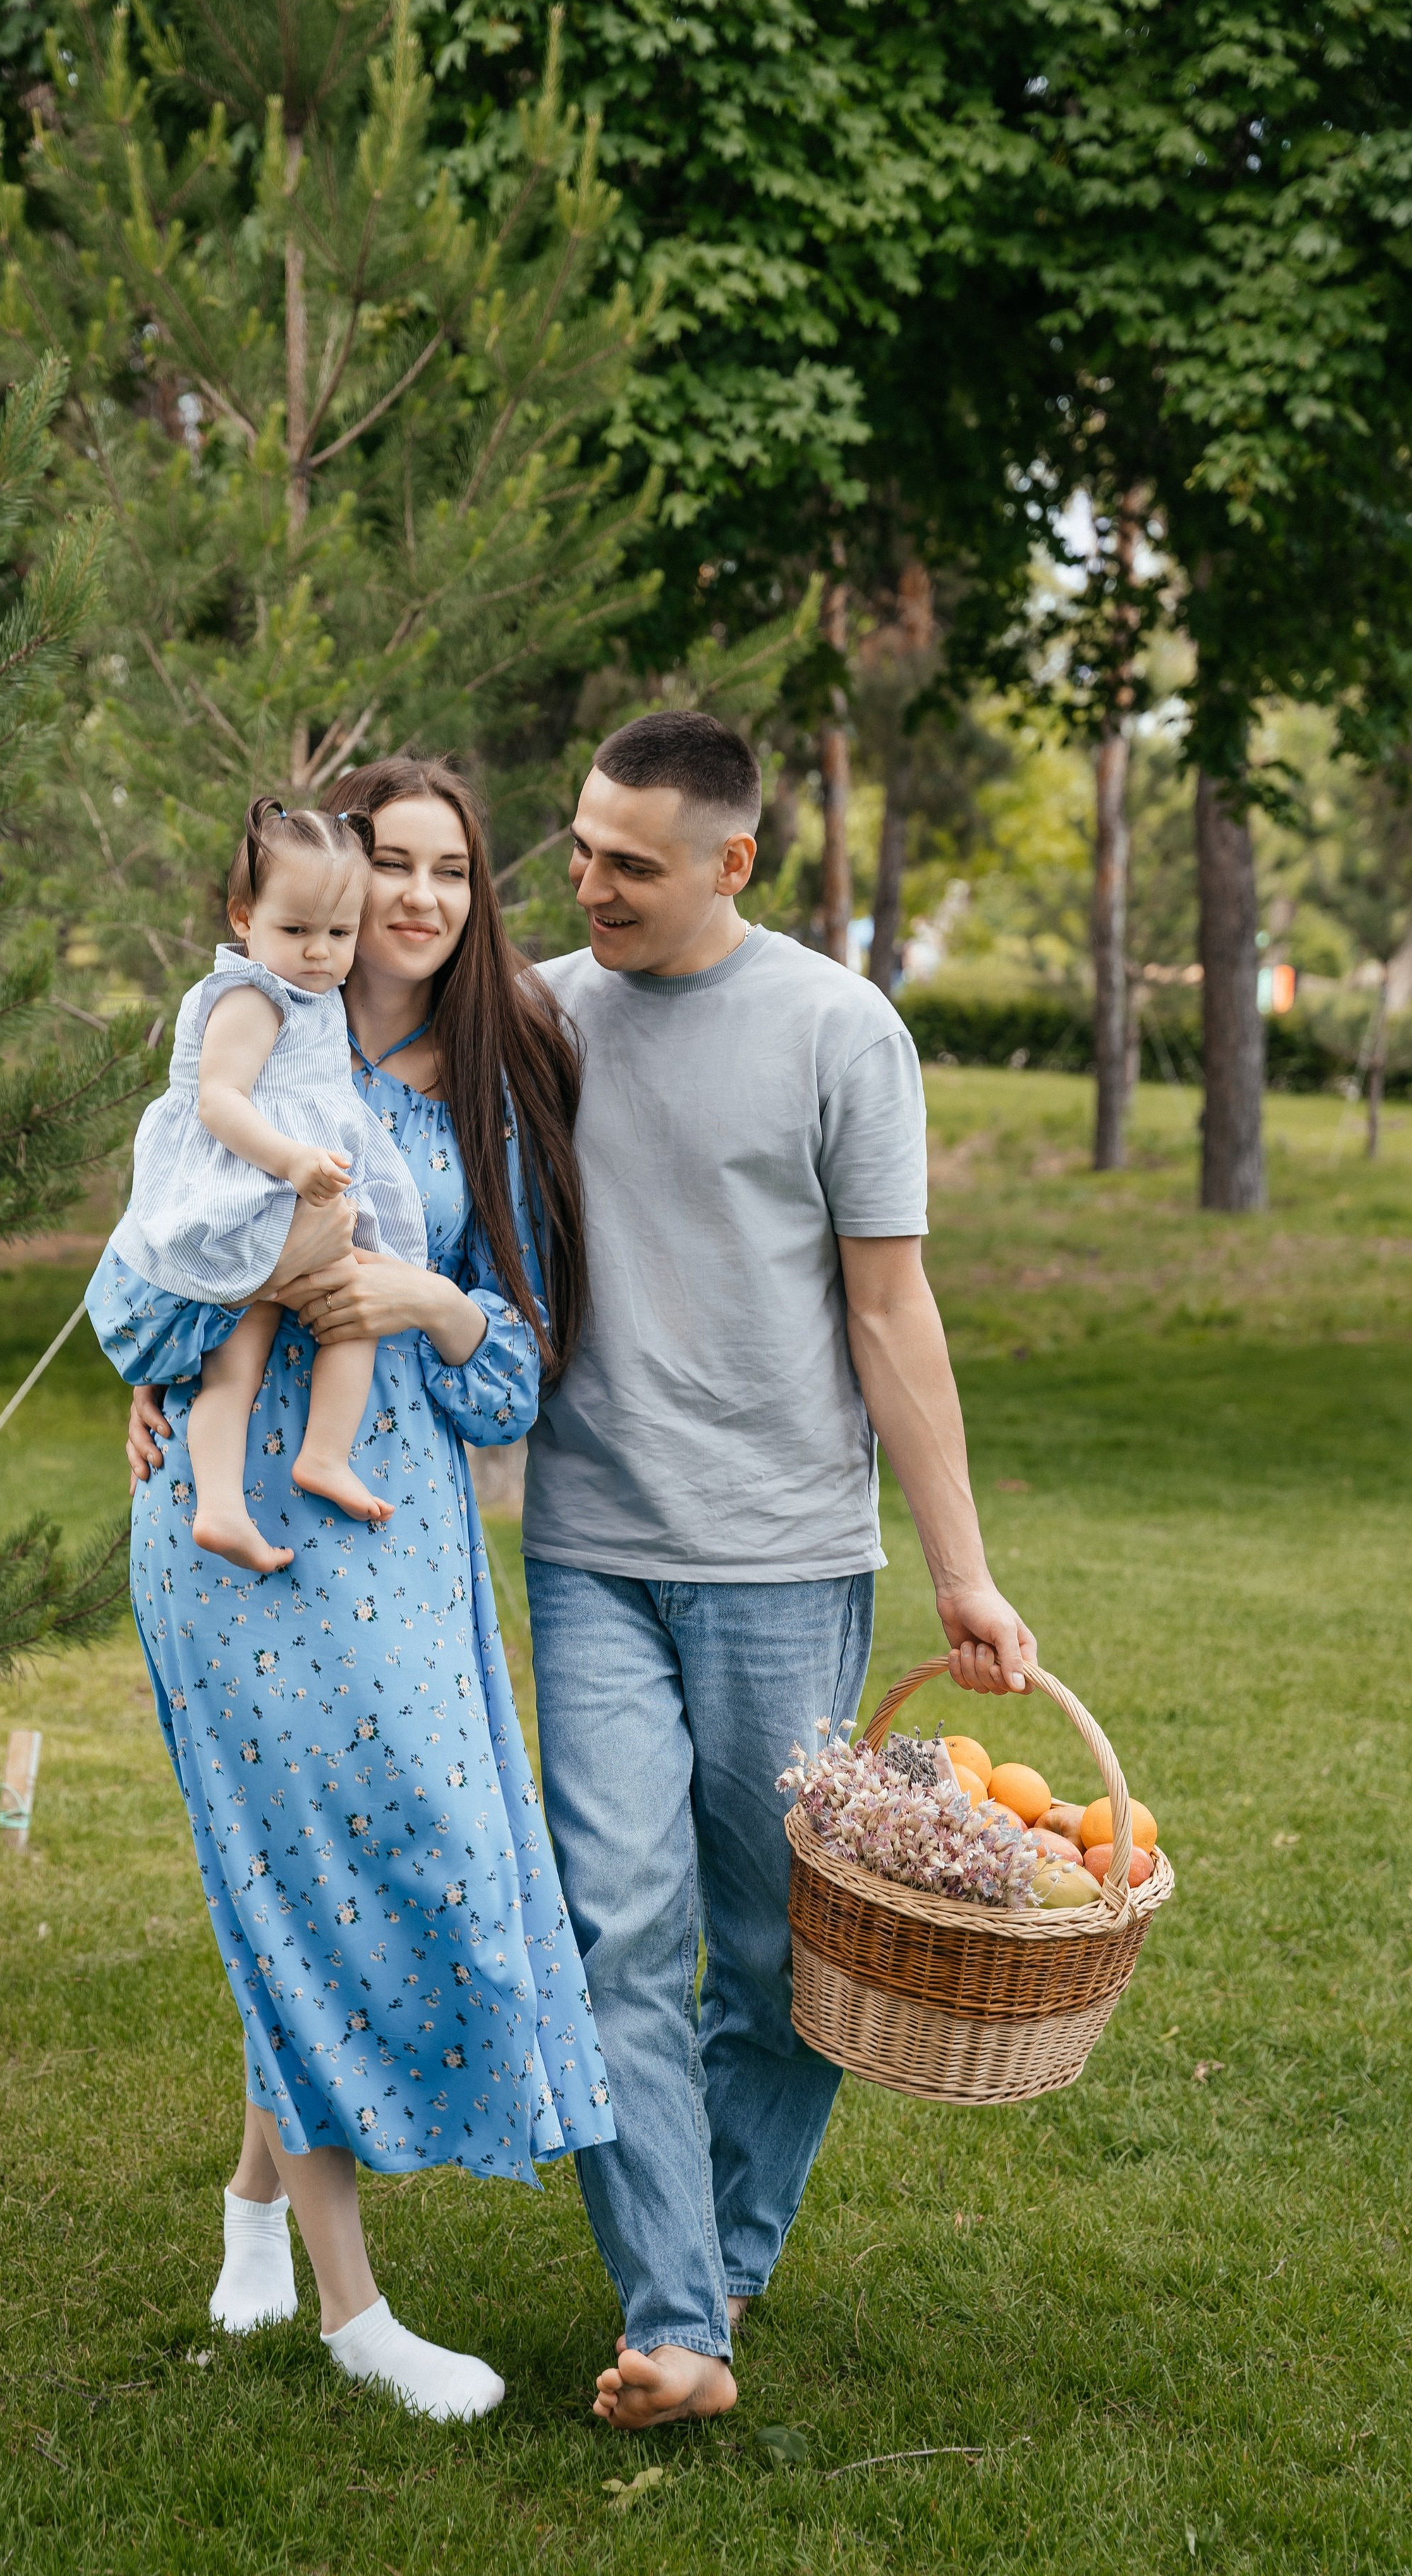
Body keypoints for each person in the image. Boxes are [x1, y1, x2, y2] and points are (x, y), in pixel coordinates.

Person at [520, 709, 1037, 2432]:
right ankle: (673, 2313)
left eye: (630, 862)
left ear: (732, 861)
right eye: (581, 845)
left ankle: (721, 2253)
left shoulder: (836, 1027)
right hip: (587, 1545)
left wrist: (958, 1568)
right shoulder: (532, 1015)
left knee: (777, 1959)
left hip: (778, 1560)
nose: (588, 881)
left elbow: (889, 1309)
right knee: (614, 1930)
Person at [102, 755, 613, 2425]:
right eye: (384, 865)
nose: (410, 899)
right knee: (293, 1868)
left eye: (445, 872)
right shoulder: (242, 1045)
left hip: (392, 1520)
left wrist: (430, 1303)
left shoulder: (492, 1071)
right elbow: (145, 1279)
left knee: (419, 1858)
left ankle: (257, 2191)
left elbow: (519, 1362)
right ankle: (350, 2302)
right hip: (225, 1521)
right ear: (281, 903)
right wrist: (175, 1363)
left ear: (477, 896)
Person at [98, 797, 428, 1571]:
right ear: (243, 917)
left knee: (318, 1329)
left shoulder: (313, 996)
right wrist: (292, 1162)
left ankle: (293, 1469)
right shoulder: (251, 996)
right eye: (296, 930)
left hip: (287, 1194)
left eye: (339, 934)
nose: (319, 953)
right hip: (248, 1187)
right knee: (296, 1329)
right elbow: (219, 1101)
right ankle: (257, 1484)